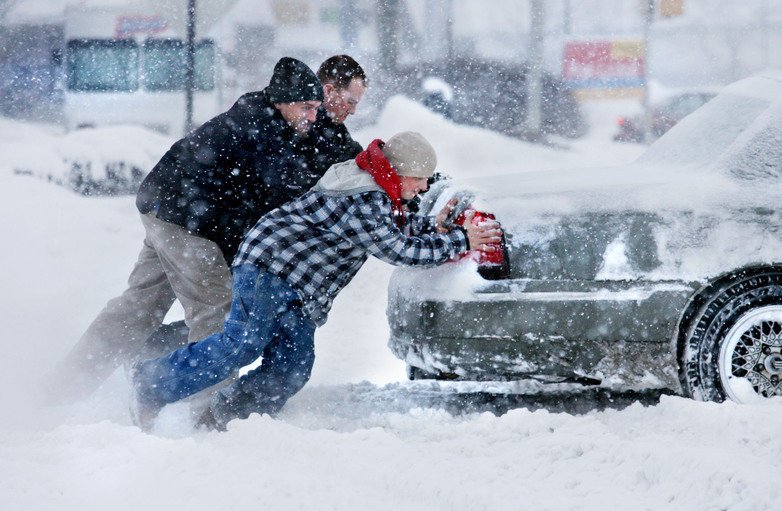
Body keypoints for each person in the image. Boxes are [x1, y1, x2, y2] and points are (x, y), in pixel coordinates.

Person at [131, 131, 502, 431]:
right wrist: (462, 240)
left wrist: (436, 228)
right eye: (420, 180)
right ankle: (149, 383)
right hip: (269, 266)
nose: (423, 188)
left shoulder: (378, 187)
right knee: (241, 343)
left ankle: (227, 418)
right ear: (402, 172)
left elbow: (394, 225)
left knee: (292, 366)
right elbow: (397, 248)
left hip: (298, 287)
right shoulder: (365, 195)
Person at [50, 57, 349, 401]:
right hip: (186, 221)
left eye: (315, 108)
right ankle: (207, 411)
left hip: (165, 208)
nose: (313, 117)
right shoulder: (261, 131)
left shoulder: (268, 122)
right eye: (306, 108)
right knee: (218, 312)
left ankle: (62, 388)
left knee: (139, 308)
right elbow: (276, 196)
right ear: (281, 100)